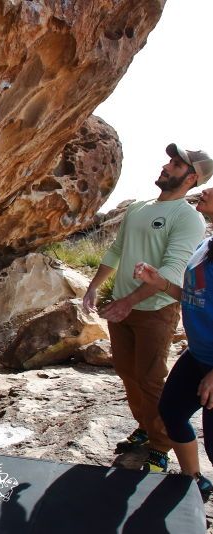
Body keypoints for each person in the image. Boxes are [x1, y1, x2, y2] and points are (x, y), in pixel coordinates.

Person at [83, 143, 208, 472]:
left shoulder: (188, 218)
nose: (166, 166)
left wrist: (127, 302)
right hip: (121, 308)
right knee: (126, 372)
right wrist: (94, 288)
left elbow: (170, 270)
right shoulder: (139, 208)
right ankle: (145, 426)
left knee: (151, 378)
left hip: (156, 309)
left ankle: (161, 444)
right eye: (169, 160)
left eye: (176, 164)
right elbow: (116, 250)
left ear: (191, 177)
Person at [134, 182, 213, 499]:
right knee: (172, 411)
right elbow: (196, 296)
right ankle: (194, 479)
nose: (205, 191)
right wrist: (161, 283)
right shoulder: (205, 245)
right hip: (198, 354)